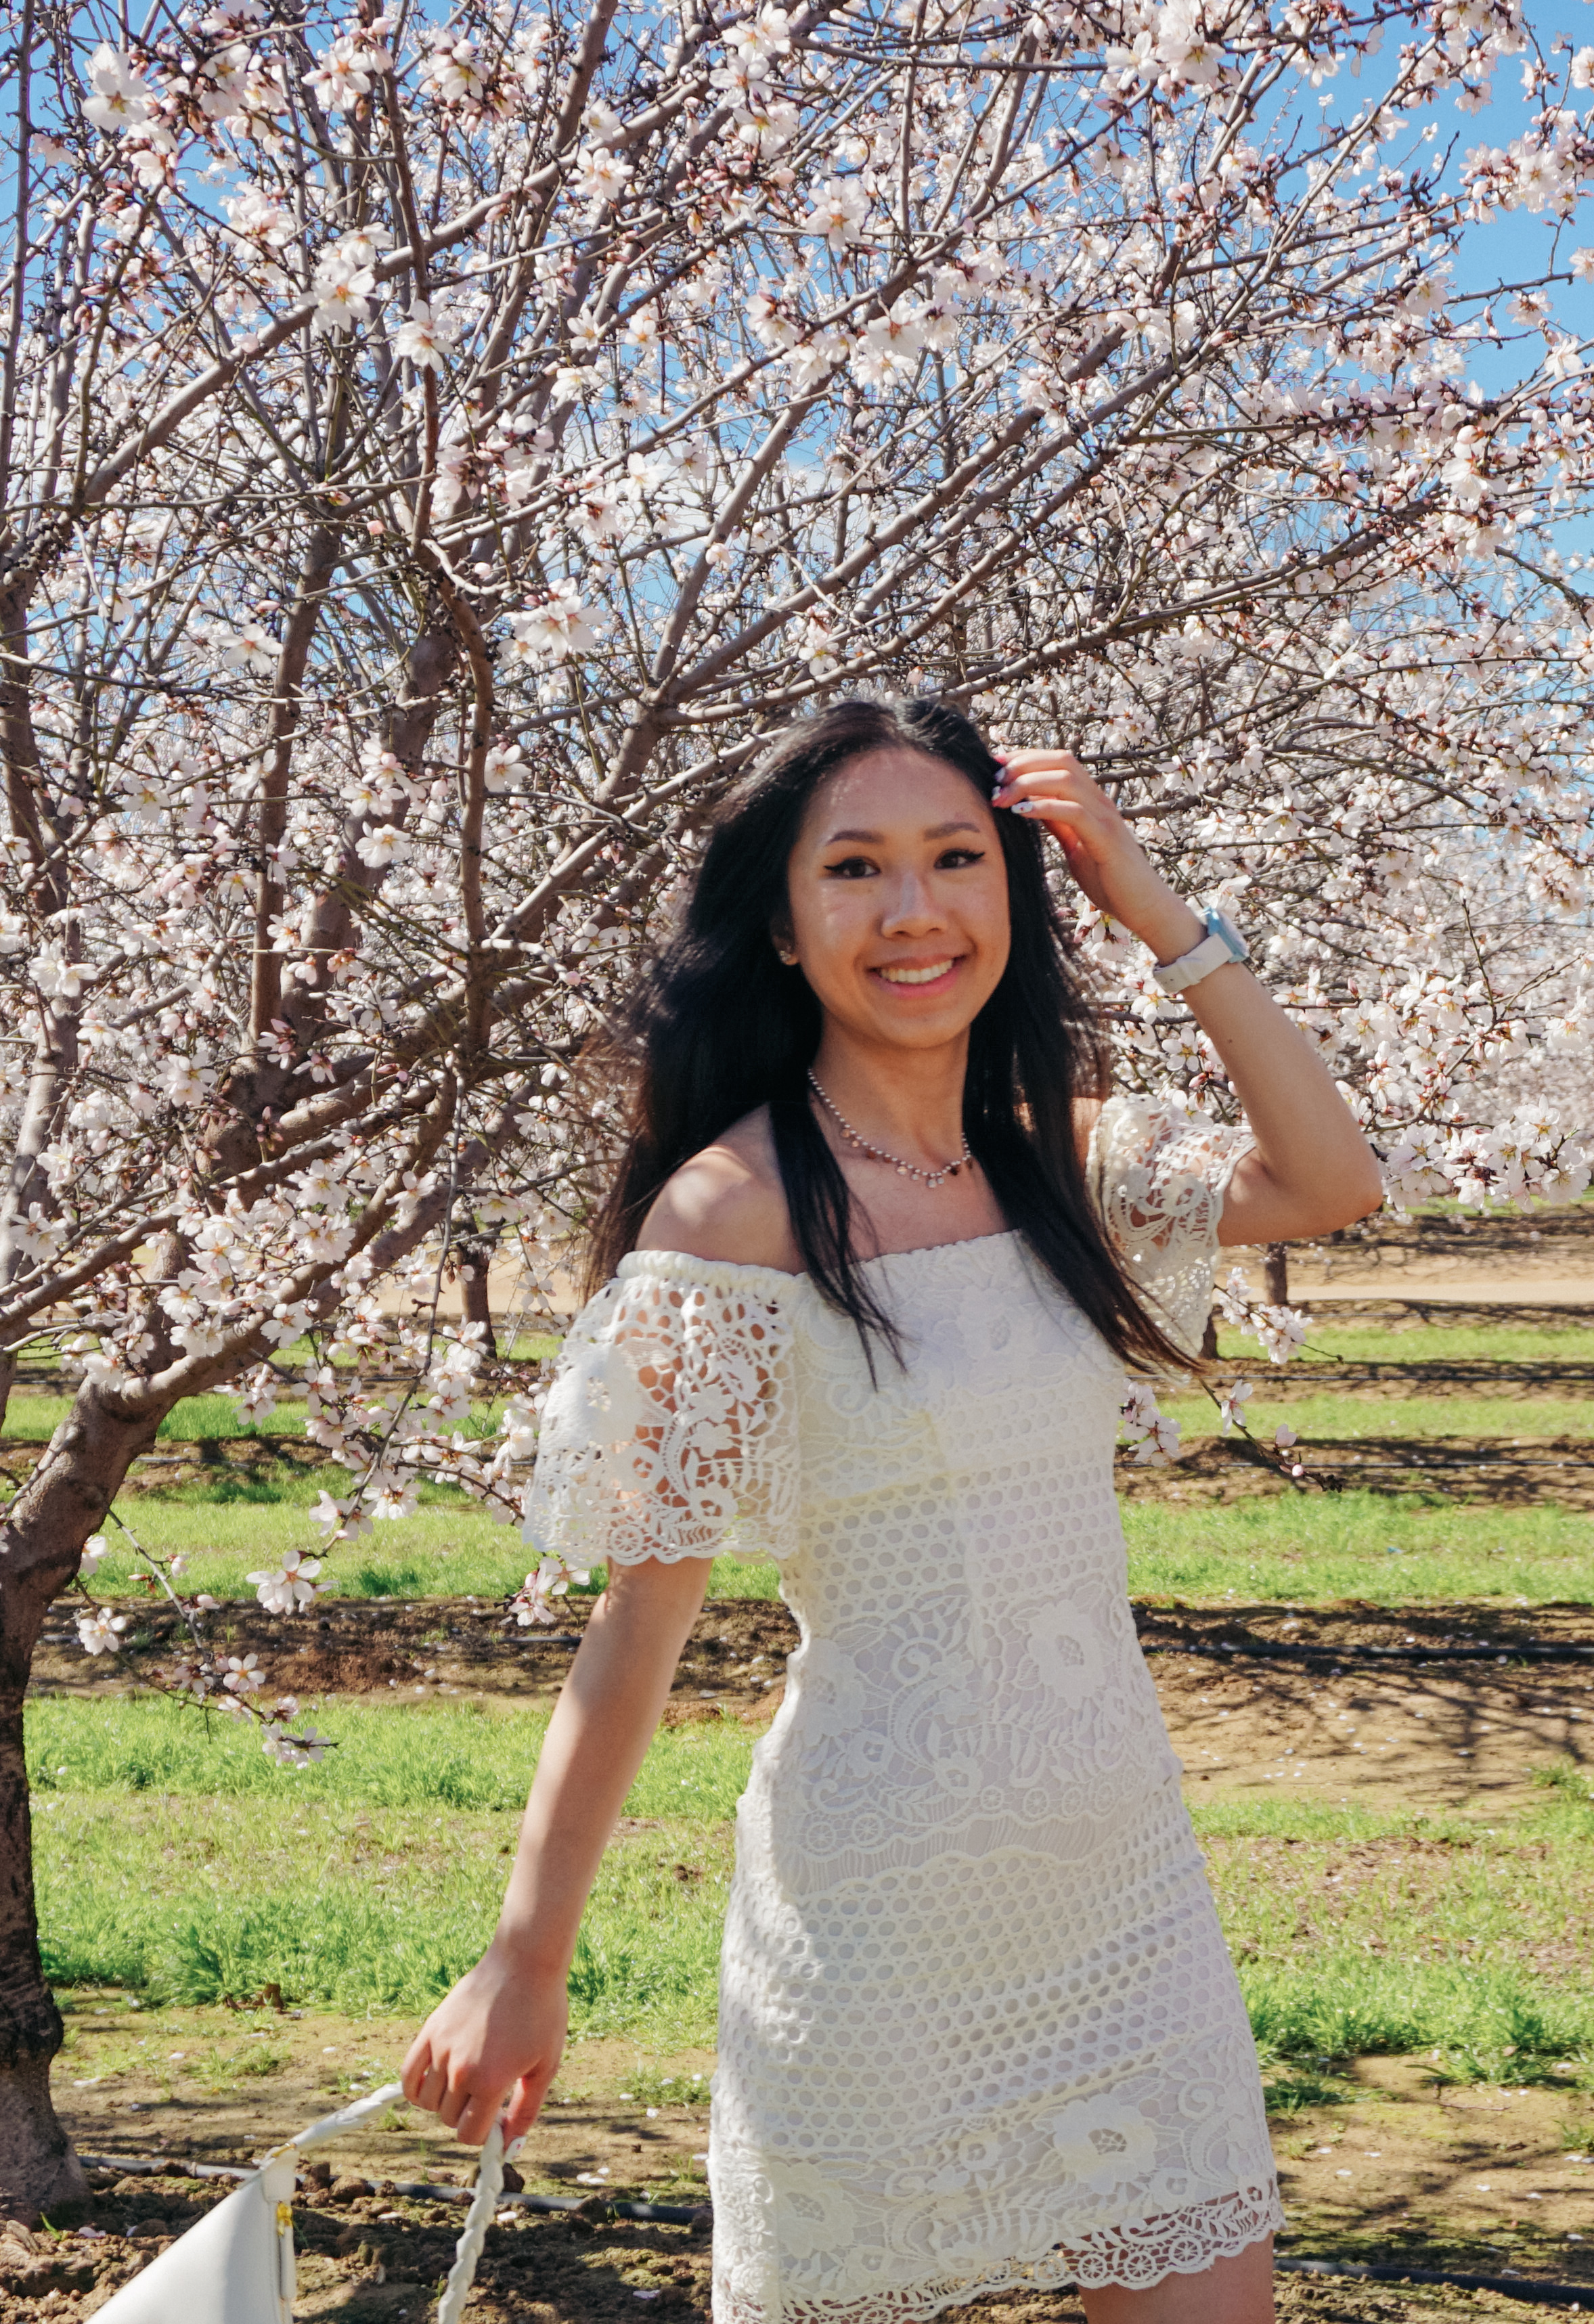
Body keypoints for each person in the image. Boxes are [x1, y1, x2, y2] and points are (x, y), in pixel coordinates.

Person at [399, 697, 1383, 2324]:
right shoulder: (734, 1212)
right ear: (781, 928)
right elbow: (639, 1621)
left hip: (1123, 1897)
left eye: (957, 859)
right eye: (854, 868)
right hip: (875, 1931)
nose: (914, 910)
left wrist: (1160, 911)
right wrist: (525, 1954)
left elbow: (1332, 1178)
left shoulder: (1064, 1161)